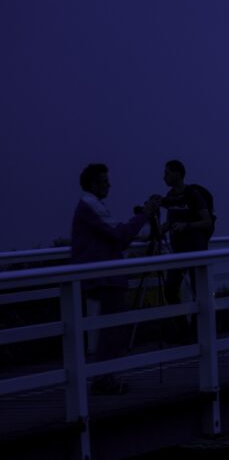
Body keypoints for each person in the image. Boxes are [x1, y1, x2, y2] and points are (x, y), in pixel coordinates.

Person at [71, 163, 161, 394]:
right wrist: (145, 214)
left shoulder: (91, 205)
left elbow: (112, 235)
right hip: (105, 276)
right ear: (93, 184)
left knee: (112, 327)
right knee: (113, 328)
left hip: (105, 275)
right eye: (104, 181)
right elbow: (119, 236)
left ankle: (106, 376)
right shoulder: (91, 205)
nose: (109, 185)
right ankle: (104, 379)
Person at [160, 159, 214, 340]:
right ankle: (184, 330)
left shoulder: (193, 195)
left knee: (199, 292)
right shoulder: (170, 196)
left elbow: (207, 221)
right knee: (169, 289)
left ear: (178, 174)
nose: (164, 177)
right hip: (179, 252)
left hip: (195, 250)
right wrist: (156, 231)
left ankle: (199, 333)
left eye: (167, 173)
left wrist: (187, 226)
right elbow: (169, 222)